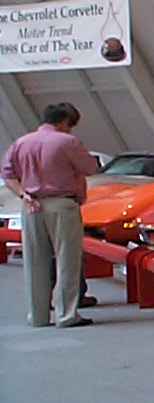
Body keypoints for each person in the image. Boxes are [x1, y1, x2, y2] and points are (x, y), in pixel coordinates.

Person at [1, 102, 99, 328]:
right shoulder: (67, 142)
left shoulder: (21, 143)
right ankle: (66, 315)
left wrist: (23, 194)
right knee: (67, 260)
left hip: (30, 205)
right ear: (64, 122)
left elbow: (8, 175)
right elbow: (89, 168)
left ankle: (37, 316)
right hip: (62, 205)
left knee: (34, 262)